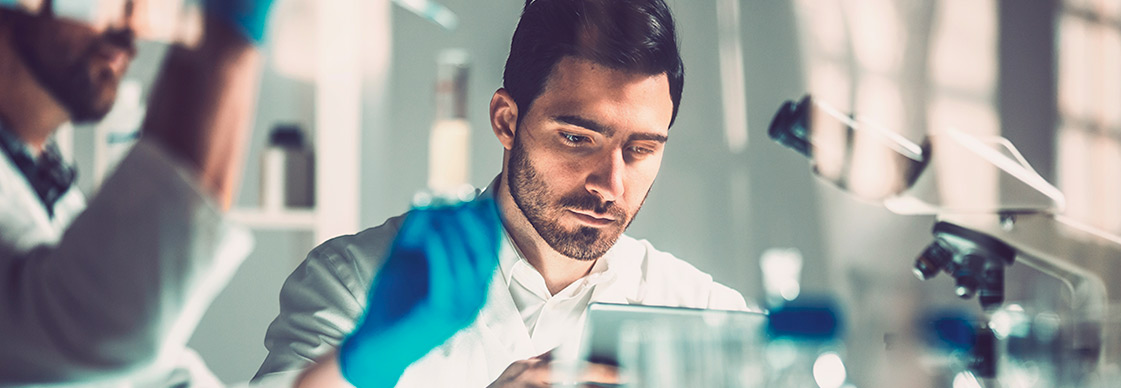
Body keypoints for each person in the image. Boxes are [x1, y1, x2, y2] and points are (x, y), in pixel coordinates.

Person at [253, 0, 749, 386]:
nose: (611, 184)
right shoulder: (352, 285)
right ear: (506, 120)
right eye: (577, 139)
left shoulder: (709, 316)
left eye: (640, 149)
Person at [0, 0, 274, 385]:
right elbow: (96, 328)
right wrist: (231, 35)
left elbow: (160, 374)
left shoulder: (47, 187)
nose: (129, 31)